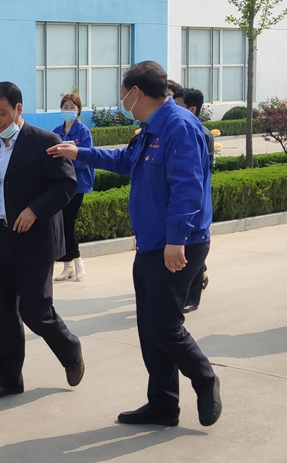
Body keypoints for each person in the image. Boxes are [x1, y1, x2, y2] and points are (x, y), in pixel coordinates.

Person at [49, 61, 222, 427]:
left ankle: (205, 379)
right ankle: (162, 405)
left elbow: (188, 187)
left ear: (137, 92)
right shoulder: (150, 128)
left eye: (123, 93)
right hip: (150, 243)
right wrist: (78, 153)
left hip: (177, 244)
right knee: (149, 328)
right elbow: (126, 161)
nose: (121, 99)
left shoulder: (178, 126)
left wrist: (176, 239)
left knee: (163, 325)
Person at [0, 82, 84, 400]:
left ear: (18, 109)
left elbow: (66, 185)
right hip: (0, 239)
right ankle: (7, 379)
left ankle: (70, 349)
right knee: (3, 312)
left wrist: (35, 210)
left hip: (35, 240)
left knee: (36, 310)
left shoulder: (46, 142)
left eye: (2, 114)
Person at [173, 87, 214, 313]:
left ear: (192, 109)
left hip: (196, 205)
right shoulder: (179, 128)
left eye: (178, 105)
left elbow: (197, 174)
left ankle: (192, 297)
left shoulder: (199, 133)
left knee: (194, 251)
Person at [53, 93, 95, 282]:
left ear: (78, 110)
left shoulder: (83, 132)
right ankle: (67, 265)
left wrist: (67, 157)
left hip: (78, 184)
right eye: (65, 107)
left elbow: (85, 159)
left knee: (68, 222)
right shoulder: (56, 132)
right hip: (61, 183)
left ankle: (77, 260)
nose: (68, 110)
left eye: (72, 107)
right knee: (61, 223)